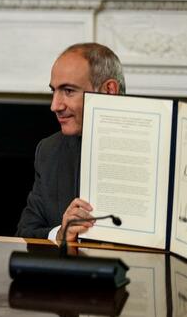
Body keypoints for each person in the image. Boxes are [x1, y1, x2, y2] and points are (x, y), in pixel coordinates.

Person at [16, 42, 125, 242]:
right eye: (54, 91)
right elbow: (25, 233)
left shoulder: (159, 151)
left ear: (109, 91)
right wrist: (60, 234)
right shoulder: (49, 151)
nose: (55, 106)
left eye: (68, 91)